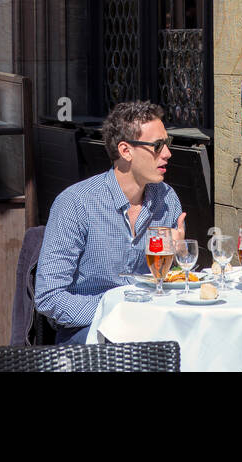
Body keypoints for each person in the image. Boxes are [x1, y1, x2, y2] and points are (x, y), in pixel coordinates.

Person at [35, 100, 186, 344]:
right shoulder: (76, 204)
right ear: (126, 151)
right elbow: (49, 296)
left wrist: (178, 259)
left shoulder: (166, 199)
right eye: (158, 146)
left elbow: (172, 282)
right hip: (88, 331)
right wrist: (119, 311)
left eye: (167, 144)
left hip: (152, 327)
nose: (167, 153)